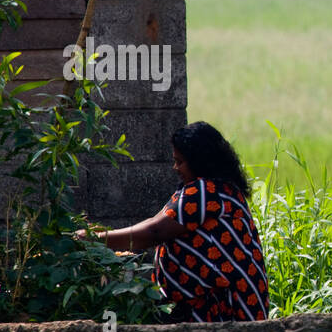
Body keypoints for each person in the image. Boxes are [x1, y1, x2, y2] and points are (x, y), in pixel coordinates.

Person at [74, 122, 269, 321]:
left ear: (199, 161)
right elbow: (155, 221)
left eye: (180, 161)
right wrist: (98, 234)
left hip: (223, 307)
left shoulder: (205, 192)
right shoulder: (211, 189)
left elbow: (155, 232)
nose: (175, 167)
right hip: (215, 304)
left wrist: (95, 239)